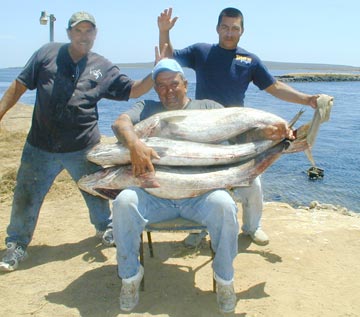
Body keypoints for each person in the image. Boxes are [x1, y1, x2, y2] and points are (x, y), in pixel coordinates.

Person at [110, 59, 294, 313]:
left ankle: (224, 280)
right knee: (123, 201)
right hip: (154, 196)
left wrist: (269, 134)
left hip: (201, 195)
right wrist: (135, 145)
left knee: (224, 204)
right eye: (161, 86)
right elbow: (120, 123)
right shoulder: (146, 108)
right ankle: (129, 278)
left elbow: (241, 135)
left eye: (173, 83)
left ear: (185, 84)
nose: (168, 90)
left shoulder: (208, 107)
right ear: (155, 89)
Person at [0, 11, 160, 272]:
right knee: (25, 196)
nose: (83, 36)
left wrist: (156, 71)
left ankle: (105, 229)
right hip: (40, 146)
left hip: (83, 147)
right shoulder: (46, 54)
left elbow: (133, 90)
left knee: (96, 192)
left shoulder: (103, 66)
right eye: (78, 30)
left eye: (88, 31)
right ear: (68, 33)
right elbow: (19, 86)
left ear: (95, 34)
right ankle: (17, 244)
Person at [157, 7, 320, 247]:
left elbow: (274, 87)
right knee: (201, 180)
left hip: (238, 129)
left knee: (252, 179)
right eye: (225, 27)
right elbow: (168, 59)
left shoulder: (249, 60)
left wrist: (306, 99)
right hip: (202, 128)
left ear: (242, 31)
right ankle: (199, 228)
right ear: (217, 28)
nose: (229, 33)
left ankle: (253, 227)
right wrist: (164, 32)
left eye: (235, 28)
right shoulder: (201, 52)